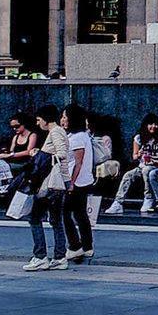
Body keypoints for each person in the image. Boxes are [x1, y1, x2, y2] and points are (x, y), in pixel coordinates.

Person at [24, 105, 71, 271]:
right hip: (60, 182)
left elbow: (62, 153)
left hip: (51, 183)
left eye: (38, 120)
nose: (38, 124)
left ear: (45, 118)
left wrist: (39, 155)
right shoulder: (58, 131)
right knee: (56, 220)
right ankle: (59, 257)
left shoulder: (55, 131)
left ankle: (40, 256)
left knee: (34, 217)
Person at [106, 114, 158, 214]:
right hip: (142, 166)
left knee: (147, 171)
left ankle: (148, 198)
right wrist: (139, 154)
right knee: (128, 175)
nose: (153, 126)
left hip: (156, 167)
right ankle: (118, 202)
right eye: (150, 124)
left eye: (155, 124)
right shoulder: (139, 138)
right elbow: (134, 156)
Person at [60, 104, 96, 262]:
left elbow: (77, 162)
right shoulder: (80, 135)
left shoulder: (77, 137)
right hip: (83, 180)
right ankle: (87, 246)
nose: (62, 120)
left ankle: (75, 245)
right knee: (80, 214)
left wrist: (71, 183)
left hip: (77, 182)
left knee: (65, 213)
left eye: (65, 117)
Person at [0, 113, 38, 208]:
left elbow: (28, 152)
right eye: (13, 127)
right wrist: (5, 154)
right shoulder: (16, 137)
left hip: (24, 163)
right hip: (12, 161)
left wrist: (10, 155)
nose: (15, 129)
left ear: (23, 124)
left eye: (17, 126)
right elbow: (11, 150)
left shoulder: (32, 135)